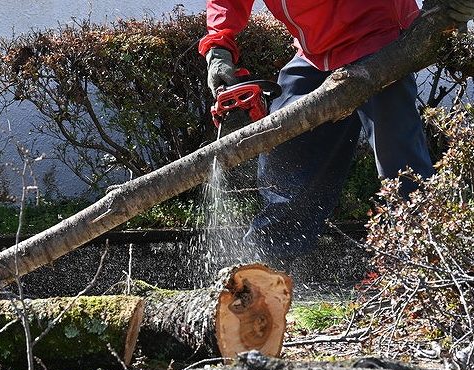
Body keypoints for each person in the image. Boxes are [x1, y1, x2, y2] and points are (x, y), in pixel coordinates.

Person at [199, 0, 474, 260]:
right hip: (316, 54)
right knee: (286, 154)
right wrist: (218, 46)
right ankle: (267, 261)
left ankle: (419, 262)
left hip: (382, 42)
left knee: (399, 163)